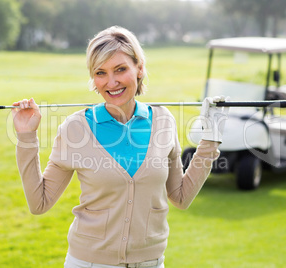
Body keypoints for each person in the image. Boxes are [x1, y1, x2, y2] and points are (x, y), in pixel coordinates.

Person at [11, 26, 229, 268]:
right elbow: (39, 203)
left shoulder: (163, 120)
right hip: (89, 262)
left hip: (151, 262)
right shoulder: (75, 128)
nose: (111, 82)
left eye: (120, 69)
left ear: (140, 68)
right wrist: (26, 136)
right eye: (100, 72)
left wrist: (210, 139)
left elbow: (181, 197)